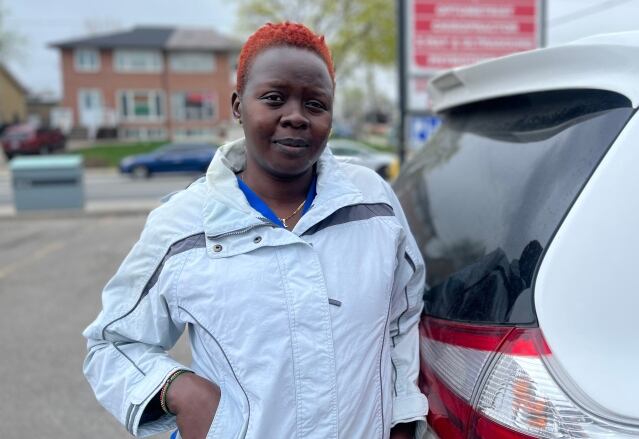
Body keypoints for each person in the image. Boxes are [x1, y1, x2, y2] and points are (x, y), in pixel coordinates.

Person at [83, 22, 428, 439]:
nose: (296, 117)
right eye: (274, 98)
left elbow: (401, 317)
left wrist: (403, 419)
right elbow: (111, 343)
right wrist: (178, 389)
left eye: (316, 104)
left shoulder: (371, 202)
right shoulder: (183, 224)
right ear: (237, 106)